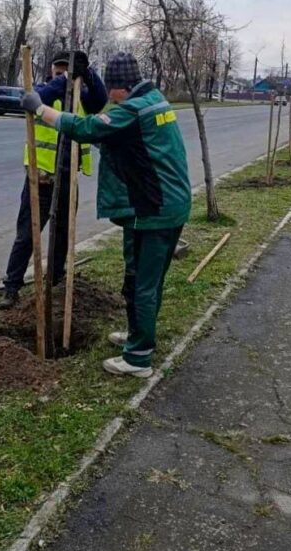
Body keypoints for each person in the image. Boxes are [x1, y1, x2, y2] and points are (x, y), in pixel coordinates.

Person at [22, 52, 191, 378]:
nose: (108, 98)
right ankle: (138, 335)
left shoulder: (134, 109)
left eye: (110, 90)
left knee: (143, 283)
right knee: (141, 278)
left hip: (153, 209)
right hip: (165, 205)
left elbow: (87, 127)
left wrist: (41, 110)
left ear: (121, 87)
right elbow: (127, 142)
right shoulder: (155, 99)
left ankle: (139, 358)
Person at [0, 51, 107, 308]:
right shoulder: (41, 92)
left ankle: (56, 278)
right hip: (42, 178)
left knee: (62, 234)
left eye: (66, 72)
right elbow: (38, 100)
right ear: (52, 71)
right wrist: (65, 79)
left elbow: (100, 101)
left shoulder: (80, 96)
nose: (63, 78)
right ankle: (12, 287)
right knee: (27, 235)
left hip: (69, 178)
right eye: (58, 72)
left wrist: (89, 75)